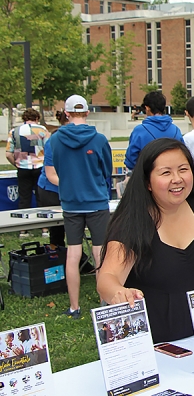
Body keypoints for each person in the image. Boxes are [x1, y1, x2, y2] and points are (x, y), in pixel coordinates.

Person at [96, 138, 194, 343]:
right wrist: (119, 292)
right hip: (148, 343)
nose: (177, 179)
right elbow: (107, 277)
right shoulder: (132, 222)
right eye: (166, 172)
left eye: (183, 169)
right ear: (147, 182)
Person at [51, 94, 113, 320]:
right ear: (87, 112)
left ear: (66, 113)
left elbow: (56, 167)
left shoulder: (55, 139)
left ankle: (74, 307)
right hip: (96, 201)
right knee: (100, 254)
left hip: (70, 202)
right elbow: (106, 170)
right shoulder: (99, 139)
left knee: (73, 254)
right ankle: (104, 304)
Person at [5, 108, 49, 238]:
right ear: (37, 118)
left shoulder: (14, 131)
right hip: (40, 167)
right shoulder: (42, 130)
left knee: (24, 197)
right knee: (41, 197)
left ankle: (23, 230)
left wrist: (17, 164)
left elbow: (8, 154)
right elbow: (49, 149)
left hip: (23, 167)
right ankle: (44, 229)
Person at [124, 91, 184, 170]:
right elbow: (182, 155)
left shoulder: (140, 130)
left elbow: (131, 159)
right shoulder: (176, 130)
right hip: (170, 176)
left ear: (147, 108)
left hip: (146, 177)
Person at [37, 110, 69, 247]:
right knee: (57, 230)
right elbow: (51, 175)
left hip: (69, 187)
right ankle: (58, 259)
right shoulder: (53, 142)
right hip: (51, 190)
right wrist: (73, 185)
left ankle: (78, 260)